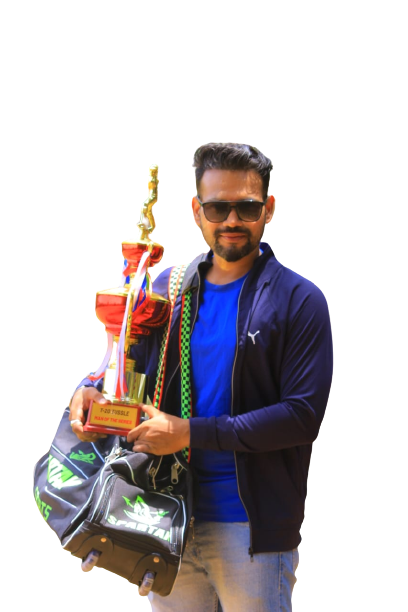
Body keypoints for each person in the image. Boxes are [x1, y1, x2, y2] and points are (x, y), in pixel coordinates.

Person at [69, 143, 333, 612]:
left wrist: (188, 433)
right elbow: (125, 359)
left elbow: (300, 417)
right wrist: (89, 390)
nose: (231, 220)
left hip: (251, 533)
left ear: (268, 208)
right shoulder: (167, 291)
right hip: (166, 518)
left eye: (246, 207)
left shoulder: (298, 300)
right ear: (197, 211)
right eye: (217, 208)